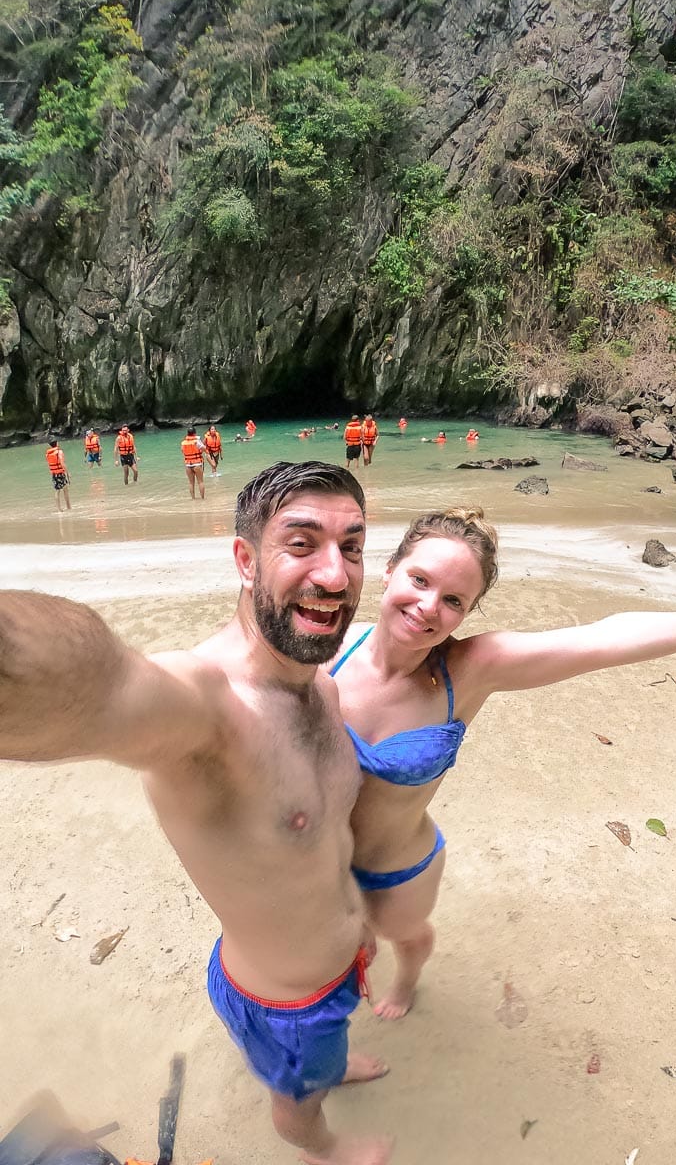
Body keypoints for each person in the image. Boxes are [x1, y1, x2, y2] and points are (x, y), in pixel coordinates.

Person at [0, 462, 391, 1165]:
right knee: (300, 1107)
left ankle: (318, 1067)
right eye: (301, 545)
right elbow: (99, 685)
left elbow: (322, 842)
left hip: (300, 974)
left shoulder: (320, 684)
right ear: (245, 560)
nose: (336, 576)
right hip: (292, 1009)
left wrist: (358, 928)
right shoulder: (210, 707)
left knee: (316, 1063)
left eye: (352, 547)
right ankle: (324, 1145)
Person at [329, 507, 676, 1019]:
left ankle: (409, 981)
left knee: (405, 936)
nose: (428, 607)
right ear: (390, 568)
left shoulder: (471, 669)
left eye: (454, 600)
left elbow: (601, 639)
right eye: (419, 579)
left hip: (399, 869)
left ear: (467, 613)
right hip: (321, 864)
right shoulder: (330, 646)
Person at [181, 426, 212, 499]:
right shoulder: (196, 441)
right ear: (194, 433)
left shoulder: (184, 442)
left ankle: (193, 499)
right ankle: (202, 498)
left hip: (188, 465)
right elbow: (204, 449)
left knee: (191, 483)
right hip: (197, 464)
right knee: (200, 482)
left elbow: (182, 451)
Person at [45, 439, 71, 511]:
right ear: (57, 443)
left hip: (54, 473)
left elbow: (49, 464)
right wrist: (68, 473)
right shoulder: (59, 452)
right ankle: (68, 507)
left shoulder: (47, 454)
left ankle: (59, 509)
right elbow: (62, 463)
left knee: (57, 491)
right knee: (65, 489)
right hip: (60, 473)